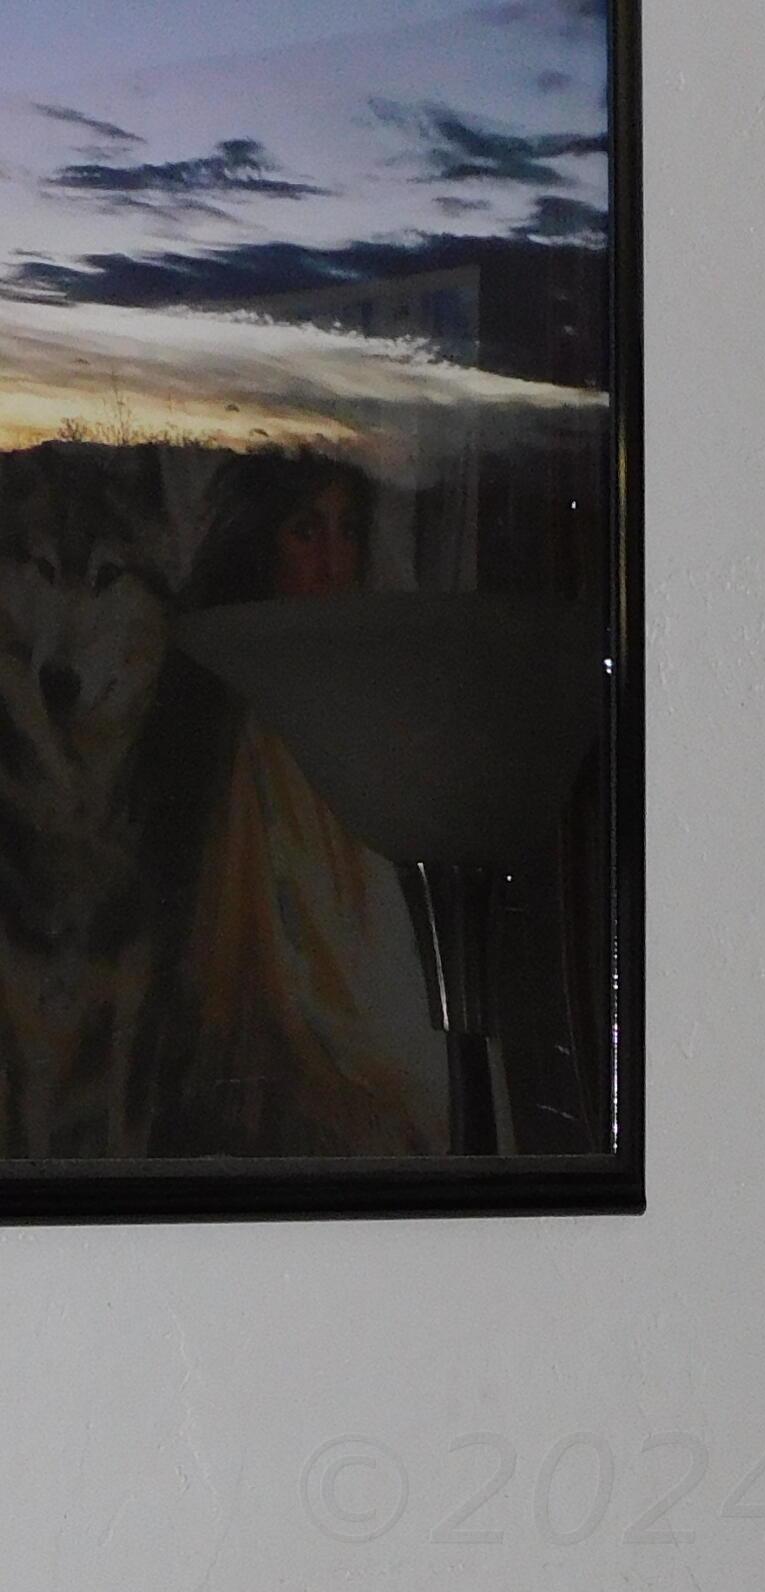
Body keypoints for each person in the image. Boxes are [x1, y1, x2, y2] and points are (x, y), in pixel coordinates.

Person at [152, 456, 447, 1156]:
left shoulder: (358, 693)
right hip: (286, 1032)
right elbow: (275, 943)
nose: (332, 560)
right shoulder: (243, 716)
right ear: (263, 544)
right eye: (305, 532)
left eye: (347, 531)